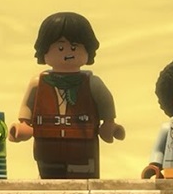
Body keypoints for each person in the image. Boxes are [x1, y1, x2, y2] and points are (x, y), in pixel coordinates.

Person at [8, 12, 124, 179]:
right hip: (47, 143)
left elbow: (105, 102)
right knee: (49, 180)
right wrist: (23, 125)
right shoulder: (38, 83)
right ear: (44, 50)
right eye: (60, 48)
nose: (68, 53)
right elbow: (28, 105)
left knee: (83, 180)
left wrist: (109, 124)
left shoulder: (92, 83)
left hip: (82, 143)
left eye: (74, 47)